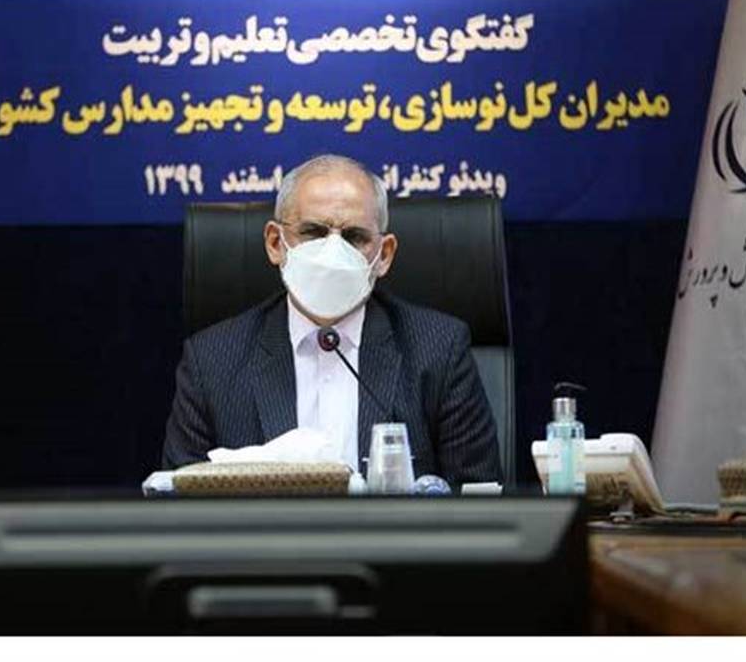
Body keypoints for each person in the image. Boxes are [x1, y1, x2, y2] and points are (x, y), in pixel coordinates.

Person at [161, 154, 501, 486]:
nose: (333, 252)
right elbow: (176, 506)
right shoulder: (211, 362)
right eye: (313, 232)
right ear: (276, 243)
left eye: (354, 237)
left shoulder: (438, 350)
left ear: (384, 255)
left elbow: (479, 498)